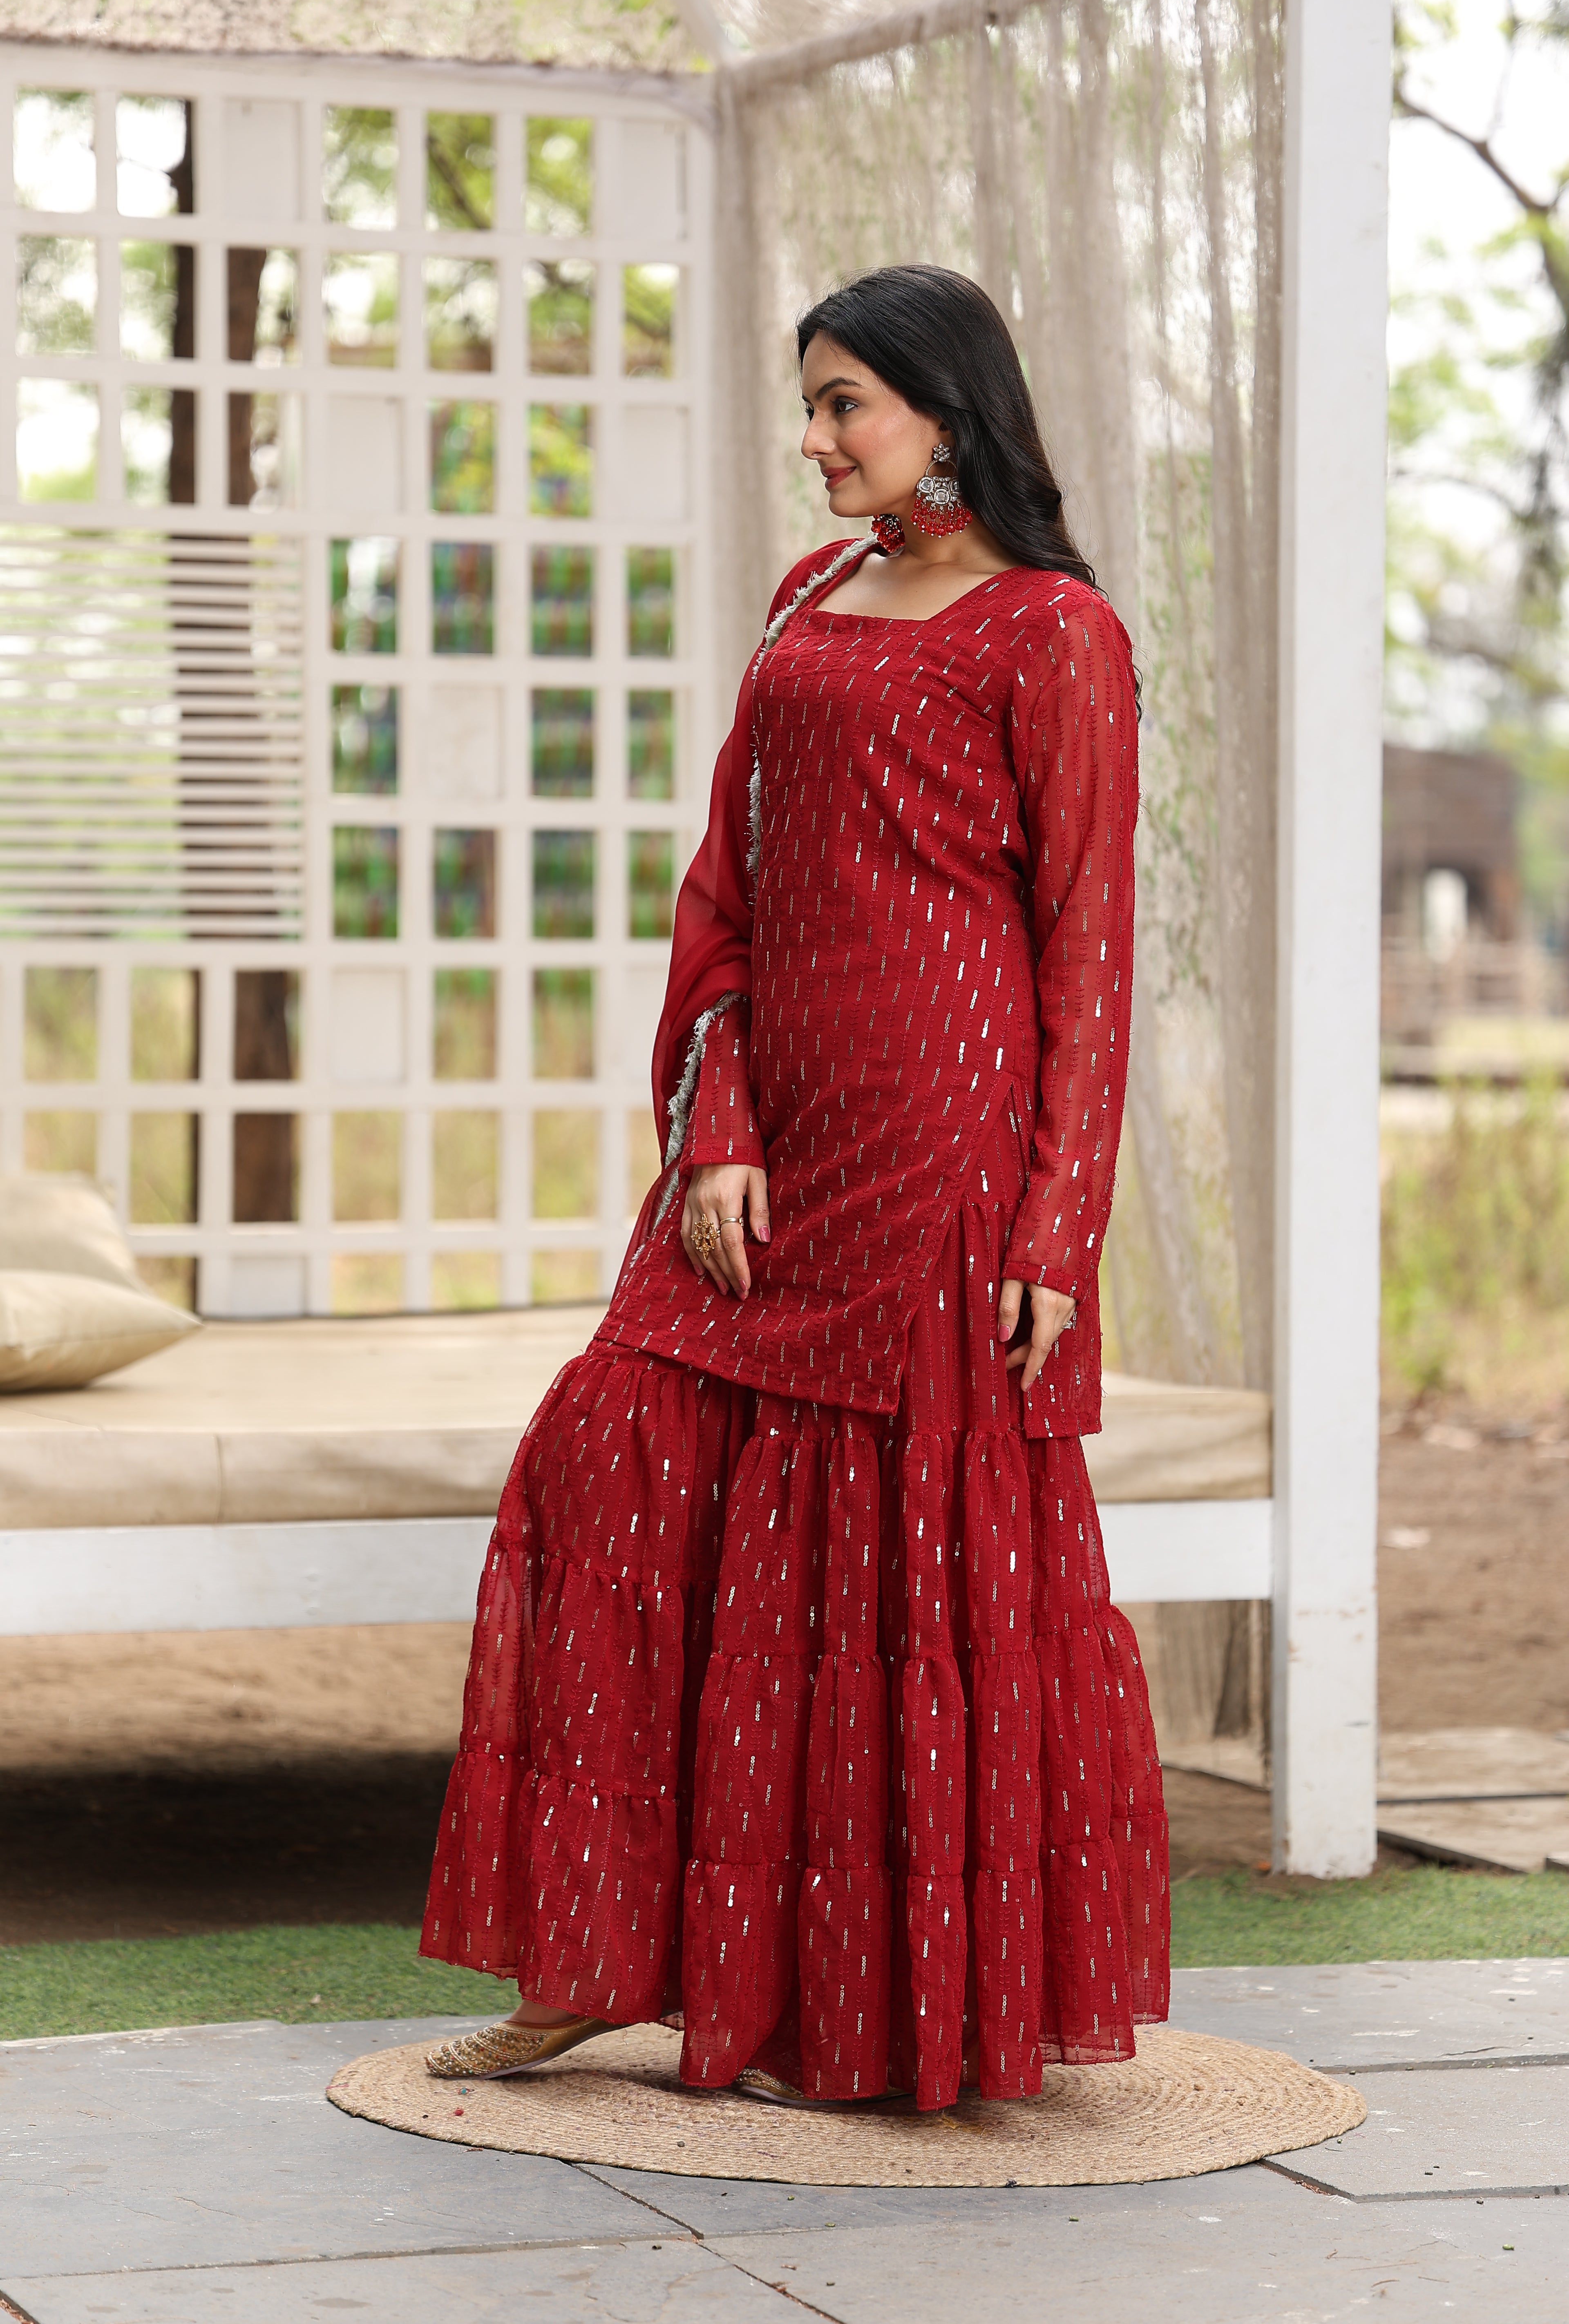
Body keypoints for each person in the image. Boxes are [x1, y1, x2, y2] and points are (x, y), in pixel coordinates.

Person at [421, 262, 1169, 2112]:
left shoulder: (1052, 632)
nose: (819, 441)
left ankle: (838, 2005)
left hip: (945, 1150)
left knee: (867, 1569)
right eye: (813, 405)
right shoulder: (809, 600)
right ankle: (598, 1952)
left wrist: (1056, 1226)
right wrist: (724, 1118)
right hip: (777, 1146)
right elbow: (728, 887)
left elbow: (1090, 946)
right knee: (612, 1454)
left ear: (948, 409)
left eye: (848, 404)